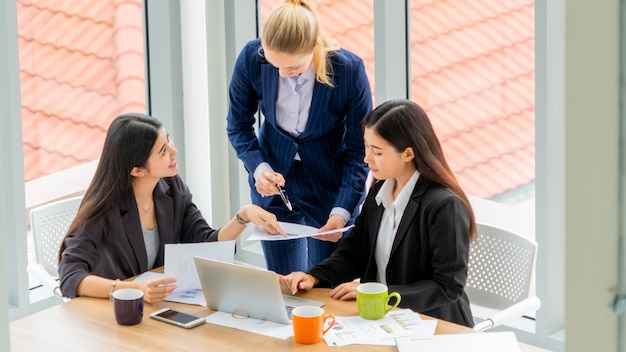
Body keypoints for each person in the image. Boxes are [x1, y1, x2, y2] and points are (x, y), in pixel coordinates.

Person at [279, 99, 477, 327]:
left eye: (378, 152)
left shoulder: (444, 206)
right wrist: (314, 276)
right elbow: (355, 252)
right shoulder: (379, 190)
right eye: (366, 147)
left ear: (408, 154)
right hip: (380, 321)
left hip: (434, 325)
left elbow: (447, 287)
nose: (367, 159)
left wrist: (377, 294)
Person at [58, 113, 285, 303]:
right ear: (137, 170)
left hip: (155, 309)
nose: (174, 152)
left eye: (169, 141)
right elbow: (70, 277)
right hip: (115, 315)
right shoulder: (106, 206)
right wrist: (130, 290)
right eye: (163, 151)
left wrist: (243, 216)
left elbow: (206, 244)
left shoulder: (171, 188)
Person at [226, 0, 372, 275]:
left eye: (292, 68)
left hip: (330, 185)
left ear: (315, 46)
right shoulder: (251, 57)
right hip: (274, 187)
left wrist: (341, 211)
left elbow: (358, 150)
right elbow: (238, 126)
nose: (282, 74)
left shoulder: (348, 70)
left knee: (325, 285)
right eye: (274, 64)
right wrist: (259, 168)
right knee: (283, 284)